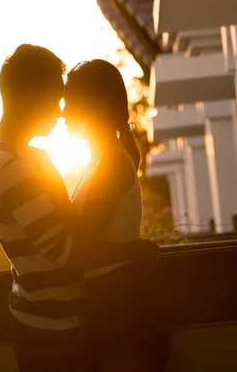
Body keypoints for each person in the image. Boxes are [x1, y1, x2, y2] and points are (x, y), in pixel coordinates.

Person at [0, 45, 140, 372]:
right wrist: (132, 251)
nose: (59, 112)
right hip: (50, 333)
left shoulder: (17, 159)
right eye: (56, 98)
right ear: (29, 95)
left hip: (48, 323)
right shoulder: (15, 167)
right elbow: (67, 256)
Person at [64, 59, 171, 372]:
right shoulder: (101, 160)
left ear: (98, 105)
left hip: (124, 313)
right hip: (115, 308)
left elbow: (79, 250)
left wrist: (132, 250)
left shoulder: (110, 162)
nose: (63, 112)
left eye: (71, 102)